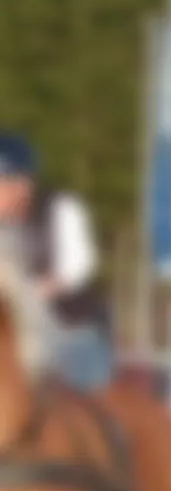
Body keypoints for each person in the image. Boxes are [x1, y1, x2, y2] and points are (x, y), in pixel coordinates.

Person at [0, 132, 112, 391]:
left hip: (74, 334)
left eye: (3, 183)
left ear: (24, 183)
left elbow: (77, 267)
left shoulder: (60, 209)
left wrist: (28, 293)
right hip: (20, 340)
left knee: (88, 411)